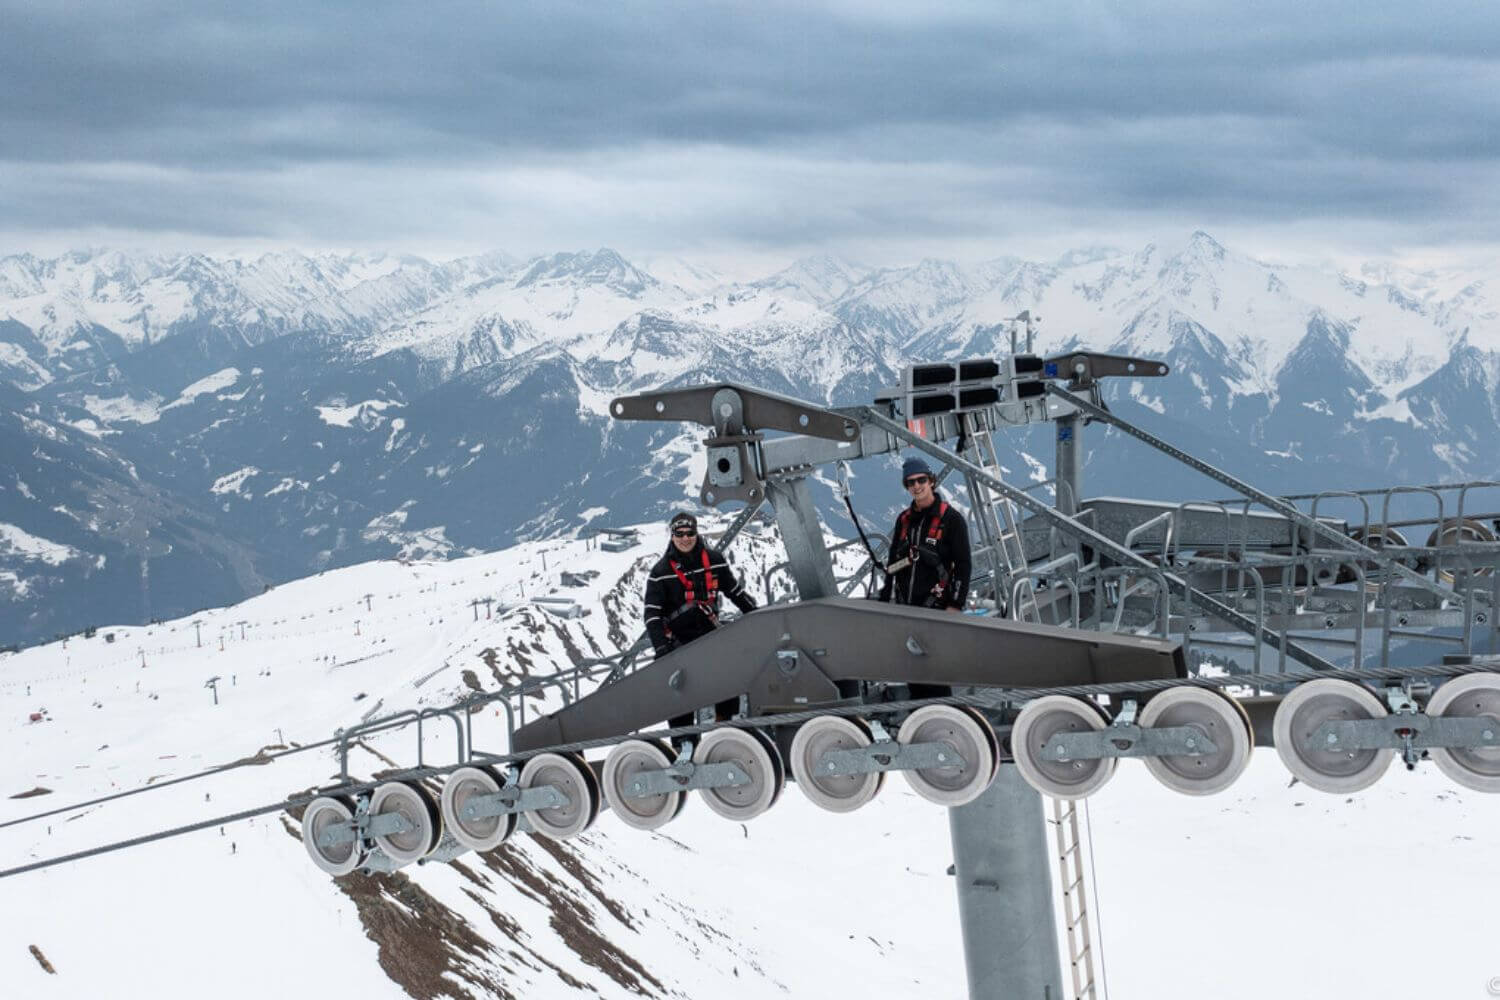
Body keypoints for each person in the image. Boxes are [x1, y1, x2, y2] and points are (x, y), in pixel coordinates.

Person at [644, 511, 758, 658]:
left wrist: (754, 613)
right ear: (672, 536)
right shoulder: (660, 573)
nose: (685, 538)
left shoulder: (714, 561)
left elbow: (734, 592)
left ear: (696, 534)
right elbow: (652, 614)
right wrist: (661, 647)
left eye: (690, 533)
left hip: (711, 633)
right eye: (679, 534)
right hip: (679, 643)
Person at [878, 457, 971, 611]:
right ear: (907, 486)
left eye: (921, 480)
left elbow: (963, 564)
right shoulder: (903, 520)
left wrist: (955, 604)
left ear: (931, 481)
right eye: (911, 482)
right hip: (904, 606)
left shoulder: (952, 520)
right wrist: (885, 596)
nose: (916, 486)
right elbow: (893, 561)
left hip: (937, 608)